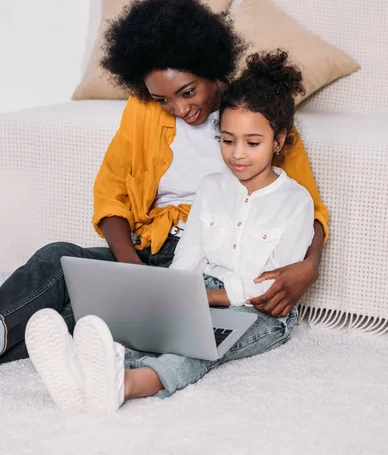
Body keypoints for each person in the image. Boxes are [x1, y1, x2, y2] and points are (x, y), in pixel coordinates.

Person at [0, 0, 328, 365]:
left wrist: (309, 266)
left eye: (188, 91)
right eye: (163, 100)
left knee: (87, 316)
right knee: (56, 258)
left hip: (206, 264)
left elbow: (307, 207)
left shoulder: (257, 117)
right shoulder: (141, 111)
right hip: (146, 251)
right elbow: (112, 193)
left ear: (213, 69)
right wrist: (131, 269)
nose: (180, 108)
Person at [25, 51, 316, 414]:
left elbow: (272, 284)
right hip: (203, 289)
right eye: (227, 141)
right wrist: (173, 296)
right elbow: (189, 253)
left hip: (261, 310)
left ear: (278, 141)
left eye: (252, 143)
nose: (238, 154)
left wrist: (206, 299)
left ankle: (129, 384)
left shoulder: (296, 201)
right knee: (162, 328)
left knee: (200, 344)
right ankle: (88, 369)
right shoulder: (210, 187)